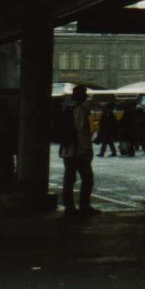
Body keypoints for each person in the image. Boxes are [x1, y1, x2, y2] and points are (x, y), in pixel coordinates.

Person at [60, 85, 99, 215]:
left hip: (67, 150)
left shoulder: (68, 109)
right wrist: (87, 149)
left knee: (69, 179)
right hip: (78, 152)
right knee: (87, 179)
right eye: (85, 94)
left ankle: (69, 207)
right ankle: (84, 206)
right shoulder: (80, 110)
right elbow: (81, 131)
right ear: (81, 96)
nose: (86, 96)